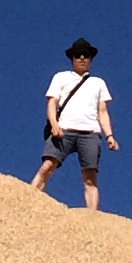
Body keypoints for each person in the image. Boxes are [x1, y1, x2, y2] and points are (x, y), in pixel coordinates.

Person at [29, 37, 115, 209]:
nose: (82, 58)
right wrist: (54, 124)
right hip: (64, 129)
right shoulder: (61, 77)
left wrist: (109, 136)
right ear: (72, 59)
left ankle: (92, 217)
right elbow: (52, 103)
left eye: (86, 55)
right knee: (47, 166)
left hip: (90, 133)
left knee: (90, 177)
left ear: (91, 59)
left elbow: (102, 112)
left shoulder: (98, 83)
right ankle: (29, 200)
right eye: (78, 55)